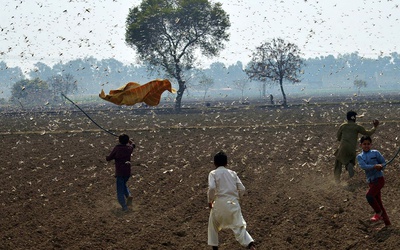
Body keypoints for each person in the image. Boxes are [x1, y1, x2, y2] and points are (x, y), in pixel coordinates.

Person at [207, 151, 256, 250]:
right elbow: (242, 189)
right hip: (233, 204)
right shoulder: (233, 173)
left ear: (214, 163)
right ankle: (250, 246)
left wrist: (210, 201)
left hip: (219, 204)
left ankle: (215, 248)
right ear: (226, 163)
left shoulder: (213, 173)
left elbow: (212, 188)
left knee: (213, 226)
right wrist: (235, 197)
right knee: (240, 228)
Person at [334, 111, 379, 183]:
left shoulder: (343, 126)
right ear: (354, 118)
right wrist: (374, 127)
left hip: (343, 147)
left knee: (338, 160)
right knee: (351, 159)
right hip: (352, 148)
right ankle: (349, 165)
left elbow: (338, 137)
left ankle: (337, 179)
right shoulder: (357, 127)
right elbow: (368, 133)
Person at [357, 135, 391, 226]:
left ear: (371, 144)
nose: (366, 146)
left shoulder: (376, 153)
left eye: (368, 144)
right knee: (378, 202)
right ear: (361, 145)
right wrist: (374, 166)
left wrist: (381, 167)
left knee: (369, 196)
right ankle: (387, 223)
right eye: (364, 144)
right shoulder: (360, 157)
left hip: (379, 179)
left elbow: (383, 163)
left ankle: (378, 213)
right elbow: (363, 166)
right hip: (371, 181)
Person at [106, 133, 135, 211]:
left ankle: (124, 207)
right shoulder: (129, 148)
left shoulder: (117, 148)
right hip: (127, 171)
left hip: (120, 171)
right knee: (123, 184)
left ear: (119, 140)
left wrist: (107, 157)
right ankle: (128, 195)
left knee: (120, 190)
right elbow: (133, 145)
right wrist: (130, 141)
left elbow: (109, 158)